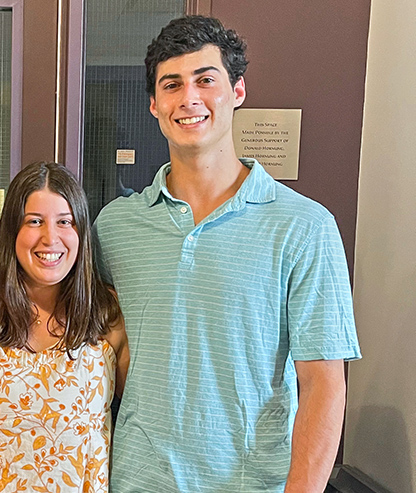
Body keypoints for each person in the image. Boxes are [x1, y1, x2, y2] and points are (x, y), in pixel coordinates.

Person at [95, 16, 362, 492]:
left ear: (237, 90)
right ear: (155, 105)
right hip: (134, 480)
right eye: (172, 85)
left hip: (250, 483)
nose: (189, 98)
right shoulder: (115, 228)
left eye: (206, 80)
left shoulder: (304, 227)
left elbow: (323, 384)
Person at [0, 162, 128, 493]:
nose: (51, 238)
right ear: (11, 230)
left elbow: (144, 421)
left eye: (65, 222)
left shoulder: (107, 315)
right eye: (35, 221)